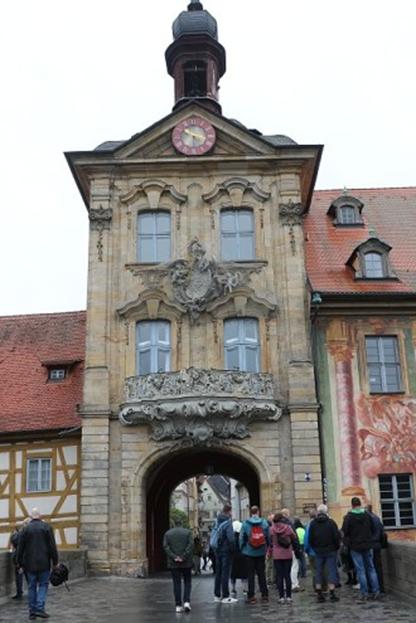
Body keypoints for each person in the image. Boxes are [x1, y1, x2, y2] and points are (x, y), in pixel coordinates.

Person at [16, 508, 58, 620]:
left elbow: (20, 548)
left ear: (31, 516)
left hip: (29, 564)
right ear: (40, 516)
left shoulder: (25, 529)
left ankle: (32, 611)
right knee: (43, 585)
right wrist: (55, 562)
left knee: (31, 587)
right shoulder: (47, 527)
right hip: (44, 563)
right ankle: (39, 608)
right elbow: (52, 547)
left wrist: (19, 563)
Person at [342, 497, 380, 601]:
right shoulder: (367, 515)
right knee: (371, 569)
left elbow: (345, 531)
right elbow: (373, 528)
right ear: (360, 504)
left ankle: (364, 593)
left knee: (360, 570)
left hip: (355, 546)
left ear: (352, 505)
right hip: (367, 545)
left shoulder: (349, 517)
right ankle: (376, 591)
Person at [308, 503, 340, 603]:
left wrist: (315, 547)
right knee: (331, 571)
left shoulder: (313, 523)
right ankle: (332, 593)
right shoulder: (331, 523)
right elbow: (336, 537)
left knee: (318, 572)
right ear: (326, 512)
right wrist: (335, 547)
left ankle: (319, 593)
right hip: (330, 550)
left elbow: (311, 538)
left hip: (318, 550)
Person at [163, 516, 194, 613]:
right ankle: (187, 602)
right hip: (186, 562)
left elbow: (165, 546)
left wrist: (174, 556)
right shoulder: (188, 532)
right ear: (181, 523)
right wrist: (183, 556)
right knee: (187, 582)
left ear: (174, 524)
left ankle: (178, 605)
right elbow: (191, 545)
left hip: (173, 563)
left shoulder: (168, 534)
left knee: (176, 583)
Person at [240, 505, 269, 604]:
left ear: (250, 512)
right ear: (258, 512)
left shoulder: (245, 524)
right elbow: (267, 537)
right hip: (261, 552)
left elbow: (241, 538)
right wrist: (267, 548)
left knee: (250, 575)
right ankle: (264, 595)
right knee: (261, 574)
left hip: (249, 552)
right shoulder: (264, 523)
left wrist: (242, 548)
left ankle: (251, 596)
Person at [270, 512, 297, 604]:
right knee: (287, 575)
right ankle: (289, 597)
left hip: (277, 555)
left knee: (279, 576)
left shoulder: (272, 529)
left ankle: (281, 597)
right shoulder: (287, 528)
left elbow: (269, 541)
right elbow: (294, 537)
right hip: (287, 554)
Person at [212, 503, 237, 603]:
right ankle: (226, 596)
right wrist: (233, 549)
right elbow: (231, 539)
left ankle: (217, 595)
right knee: (225, 573)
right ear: (229, 511)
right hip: (226, 551)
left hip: (217, 550)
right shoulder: (227, 523)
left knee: (218, 573)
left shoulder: (217, 521)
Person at [282, 508, 303, 592]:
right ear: (287, 515)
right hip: (290, 548)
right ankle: (294, 584)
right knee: (294, 566)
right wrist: (297, 549)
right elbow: (294, 538)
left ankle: (285, 584)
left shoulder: (276, 524)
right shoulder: (289, 524)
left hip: (280, 551)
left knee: (283, 568)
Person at [366, 504, 386, 593]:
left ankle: (372, 587)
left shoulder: (367, 519)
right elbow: (382, 533)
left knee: (370, 567)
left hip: (370, 545)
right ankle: (381, 587)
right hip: (377, 545)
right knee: (378, 567)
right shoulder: (377, 518)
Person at [9, 522, 29, 599]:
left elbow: (14, 541)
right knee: (28, 577)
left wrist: (14, 535)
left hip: (19, 559)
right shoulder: (28, 534)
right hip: (27, 558)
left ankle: (19, 592)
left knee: (19, 577)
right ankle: (32, 591)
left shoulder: (18, 535)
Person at [230, 520, 248, 598]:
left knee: (233, 573)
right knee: (244, 573)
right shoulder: (243, 534)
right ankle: (245, 589)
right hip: (243, 555)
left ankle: (233, 589)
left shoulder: (231, 536)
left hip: (233, 556)